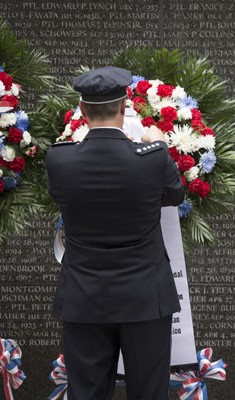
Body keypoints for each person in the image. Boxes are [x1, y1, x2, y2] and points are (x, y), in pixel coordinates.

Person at [46, 66, 184, 400]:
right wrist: (158, 145)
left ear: (82, 111)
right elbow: (174, 196)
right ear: (125, 107)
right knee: (149, 392)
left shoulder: (59, 159)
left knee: (87, 393)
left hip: (84, 297)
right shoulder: (152, 158)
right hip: (145, 298)